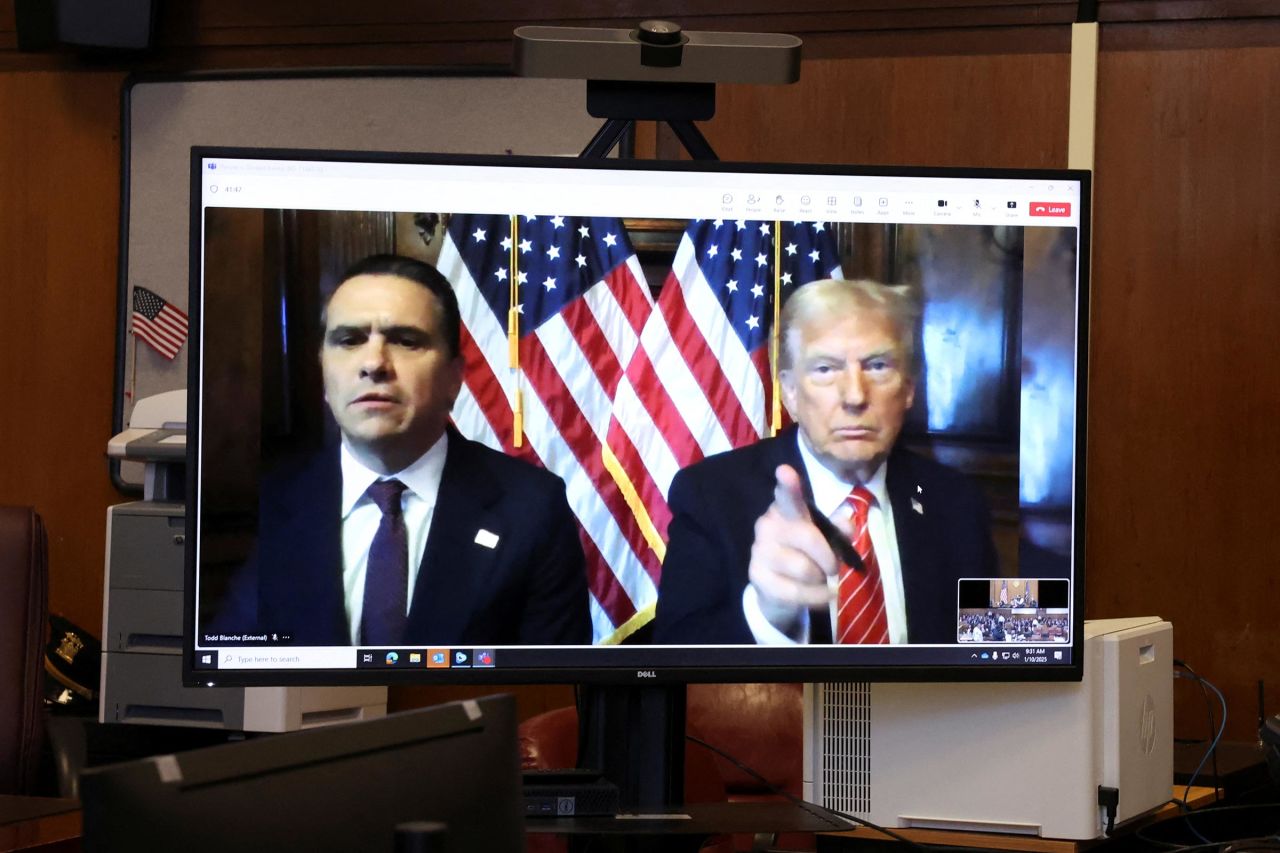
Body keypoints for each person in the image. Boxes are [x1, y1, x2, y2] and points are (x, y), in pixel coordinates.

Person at [210, 254, 591, 647]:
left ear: (454, 378)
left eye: (406, 341)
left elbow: (551, 679)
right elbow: (230, 665)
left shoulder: (531, 509)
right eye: (349, 340)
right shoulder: (272, 501)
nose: (374, 364)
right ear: (323, 370)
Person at [652, 278, 997, 645]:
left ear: (909, 389)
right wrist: (767, 615)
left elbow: (998, 647)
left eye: (877, 366)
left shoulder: (958, 499)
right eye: (825, 369)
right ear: (790, 392)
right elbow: (673, 653)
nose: (855, 396)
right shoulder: (710, 494)